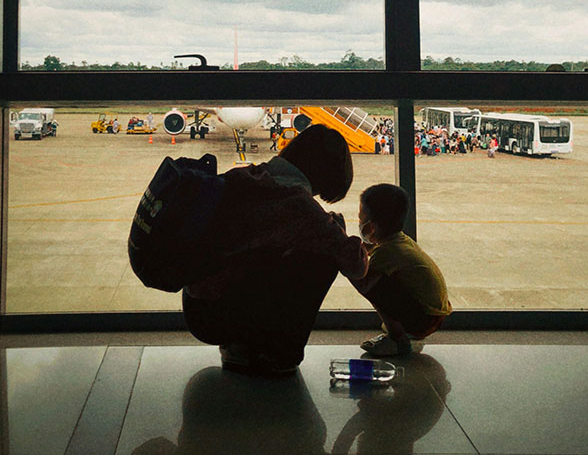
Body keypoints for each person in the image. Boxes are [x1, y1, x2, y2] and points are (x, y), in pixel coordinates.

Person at [182, 124, 367, 376]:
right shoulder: (297, 205)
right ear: (327, 171)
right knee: (322, 259)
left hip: (197, 306)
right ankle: (278, 352)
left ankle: (240, 347)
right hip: (219, 318)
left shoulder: (244, 176)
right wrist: (338, 228)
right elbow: (355, 266)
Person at [350, 183, 452, 357]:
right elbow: (372, 249)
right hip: (433, 315)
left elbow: (361, 274)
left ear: (371, 227)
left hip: (424, 321)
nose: (359, 223)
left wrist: (342, 250)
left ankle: (398, 340)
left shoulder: (386, 251)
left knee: (370, 284)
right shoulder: (398, 240)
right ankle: (402, 332)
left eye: (361, 219)